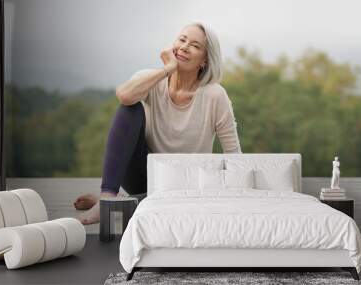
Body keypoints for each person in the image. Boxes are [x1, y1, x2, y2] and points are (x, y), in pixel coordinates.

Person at [74, 21, 242, 225]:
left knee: (175, 203)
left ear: (204, 60)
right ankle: (108, 198)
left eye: (195, 46)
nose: (184, 47)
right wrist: (167, 69)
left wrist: (236, 195)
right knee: (130, 107)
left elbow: (234, 154)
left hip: (186, 184)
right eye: (182, 40)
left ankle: (120, 204)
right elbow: (124, 96)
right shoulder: (151, 80)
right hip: (145, 174)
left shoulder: (215, 95)